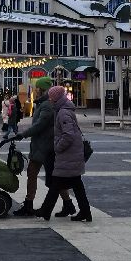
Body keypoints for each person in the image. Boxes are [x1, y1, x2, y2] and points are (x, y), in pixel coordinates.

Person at [13, 78, 74, 218]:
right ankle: (68, 204)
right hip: (44, 145)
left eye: (37, 88)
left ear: (42, 89)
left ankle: (29, 205)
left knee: (34, 174)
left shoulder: (47, 105)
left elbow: (40, 125)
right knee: (53, 177)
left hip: (44, 147)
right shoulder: (44, 104)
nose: (35, 89)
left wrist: (23, 134)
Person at [39, 85, 91, 223]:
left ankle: (45, 211)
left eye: (51, 98)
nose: (49, 100)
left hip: (68, 155)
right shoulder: (64, 110)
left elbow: (68, 135)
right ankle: (85, 212)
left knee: (56, 183)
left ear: (56, 98)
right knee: (75, 185)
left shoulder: (63, 113)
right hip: (70, 155)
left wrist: (58, 147)